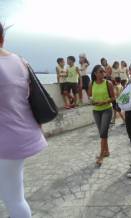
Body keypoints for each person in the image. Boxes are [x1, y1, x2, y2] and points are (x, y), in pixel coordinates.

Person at [0, 22, 47, 218]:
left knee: (13, 199)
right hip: (23, 134)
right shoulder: (20, 61)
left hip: (4, 140)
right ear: (2, 38)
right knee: (15, 197)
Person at [88, 65, 115, 166]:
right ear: (95, 73)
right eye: (101, 71)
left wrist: (103, 102)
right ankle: (106, 151)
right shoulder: (92, 83)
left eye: (104, 71)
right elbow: (90, 96)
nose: (103, 73)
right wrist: (92, 101)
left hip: (107, 110)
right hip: (96, 111)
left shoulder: (108, 83)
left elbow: (113, 97)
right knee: (102, 133)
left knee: (103, 132)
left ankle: (101, 155)